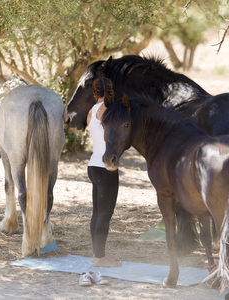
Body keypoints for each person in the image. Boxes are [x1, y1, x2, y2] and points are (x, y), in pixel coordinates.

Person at [87, 77, 122, 268]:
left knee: (97, 213)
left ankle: (98, 254)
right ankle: (99, 259)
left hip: (93, 165)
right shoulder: (108, 111)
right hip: (105, 168)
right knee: (104, 215)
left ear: (95, 92)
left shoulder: (91, 113)